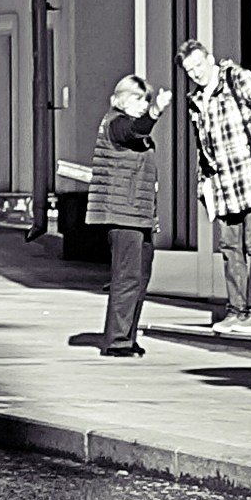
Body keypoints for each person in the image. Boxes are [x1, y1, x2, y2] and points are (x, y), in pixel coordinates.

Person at [179, 38, 251, 325]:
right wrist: (203, 184)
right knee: (230, 251)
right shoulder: (196, 101)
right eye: (189, 69)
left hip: (250, 183)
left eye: (197, 65)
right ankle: (236, 311)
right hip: (222, 188)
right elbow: (203, 148)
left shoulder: (237, 79)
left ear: (210, 59)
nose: (195, 73)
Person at [85, 75, 169, 356]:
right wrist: (156, 112)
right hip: (124, 215)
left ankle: (127, 337)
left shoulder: (127, 125)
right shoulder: (116, 122)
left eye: (146, 99)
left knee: (140, 276)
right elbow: (135, 131)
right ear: (118, 98)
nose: (143, 104)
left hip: (139, 214)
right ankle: (117, 341)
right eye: (138, 98)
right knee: (127, 277)